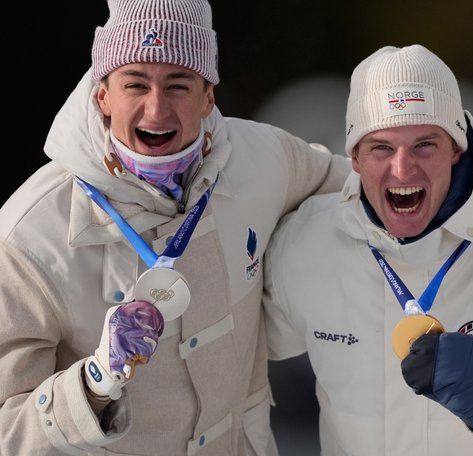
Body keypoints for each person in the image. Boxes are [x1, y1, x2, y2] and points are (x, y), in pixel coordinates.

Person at [0, 0, 351, 454]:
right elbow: (7, 430)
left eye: (178, 84)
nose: (156, 108)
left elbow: (364, 195)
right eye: (135, 84)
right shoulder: (29, 238)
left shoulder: (263, 158)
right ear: (101, 94)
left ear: (209, 96)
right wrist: (94, 381)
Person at [263, 44, 473, 455]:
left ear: (457, 148)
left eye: (425, 144)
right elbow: (227, 358)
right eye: (381, 147)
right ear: (354, 156)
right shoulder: (306, 242)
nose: (403, 169)